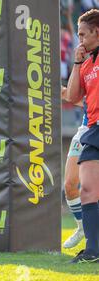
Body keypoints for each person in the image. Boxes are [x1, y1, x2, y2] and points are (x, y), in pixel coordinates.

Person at [66, 9, 99, 263]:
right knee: (86, 190)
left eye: (83, 34)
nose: (80, 40)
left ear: (97, 32)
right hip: (93, 129)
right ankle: (93, 251)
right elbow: (74, 96)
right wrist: (77, 63)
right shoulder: (86, 62)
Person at [61, 87, 87, 248]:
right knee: (70, 185)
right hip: (86, 130)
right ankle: (82, 227)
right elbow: (75, 96)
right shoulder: (87, 66)